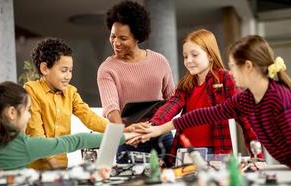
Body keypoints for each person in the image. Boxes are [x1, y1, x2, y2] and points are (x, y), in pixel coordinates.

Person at [139, 35, 291, 167]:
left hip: (217, 151)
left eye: (233, 66)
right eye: (185, 56)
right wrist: (156, 127)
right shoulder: (247, 100)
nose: (231, 72)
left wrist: (257, 157)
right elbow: (204, 115)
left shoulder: (278, 97)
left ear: (248, 66)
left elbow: (248, 125)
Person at [24, 38, 139, 170]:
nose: (68, 76)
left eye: (70, 70)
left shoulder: (70, 92)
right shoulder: (31, 90)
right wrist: (51, 160)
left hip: (61, 166)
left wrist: (121, 130)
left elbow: (90, 118)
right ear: (45, 68)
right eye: (63, 70)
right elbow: (36, 133)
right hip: (36, 168)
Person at [0, 81, 137, 171]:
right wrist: (123, 136)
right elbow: (77, 140)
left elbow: (88, 116)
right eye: (28, 110)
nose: (29, 115)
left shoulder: (71, 93)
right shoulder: (22, 146)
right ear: (11, 112)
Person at [97, 1, 175, 159]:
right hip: (129, 140)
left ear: (137, 37)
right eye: (113, 36)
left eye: (123, 38)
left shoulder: (159, 61)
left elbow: (172, 100)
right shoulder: (107, 69)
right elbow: (111, 108)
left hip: (162, 137)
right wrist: (124, 133)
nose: (116, 43)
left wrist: (155, 127)